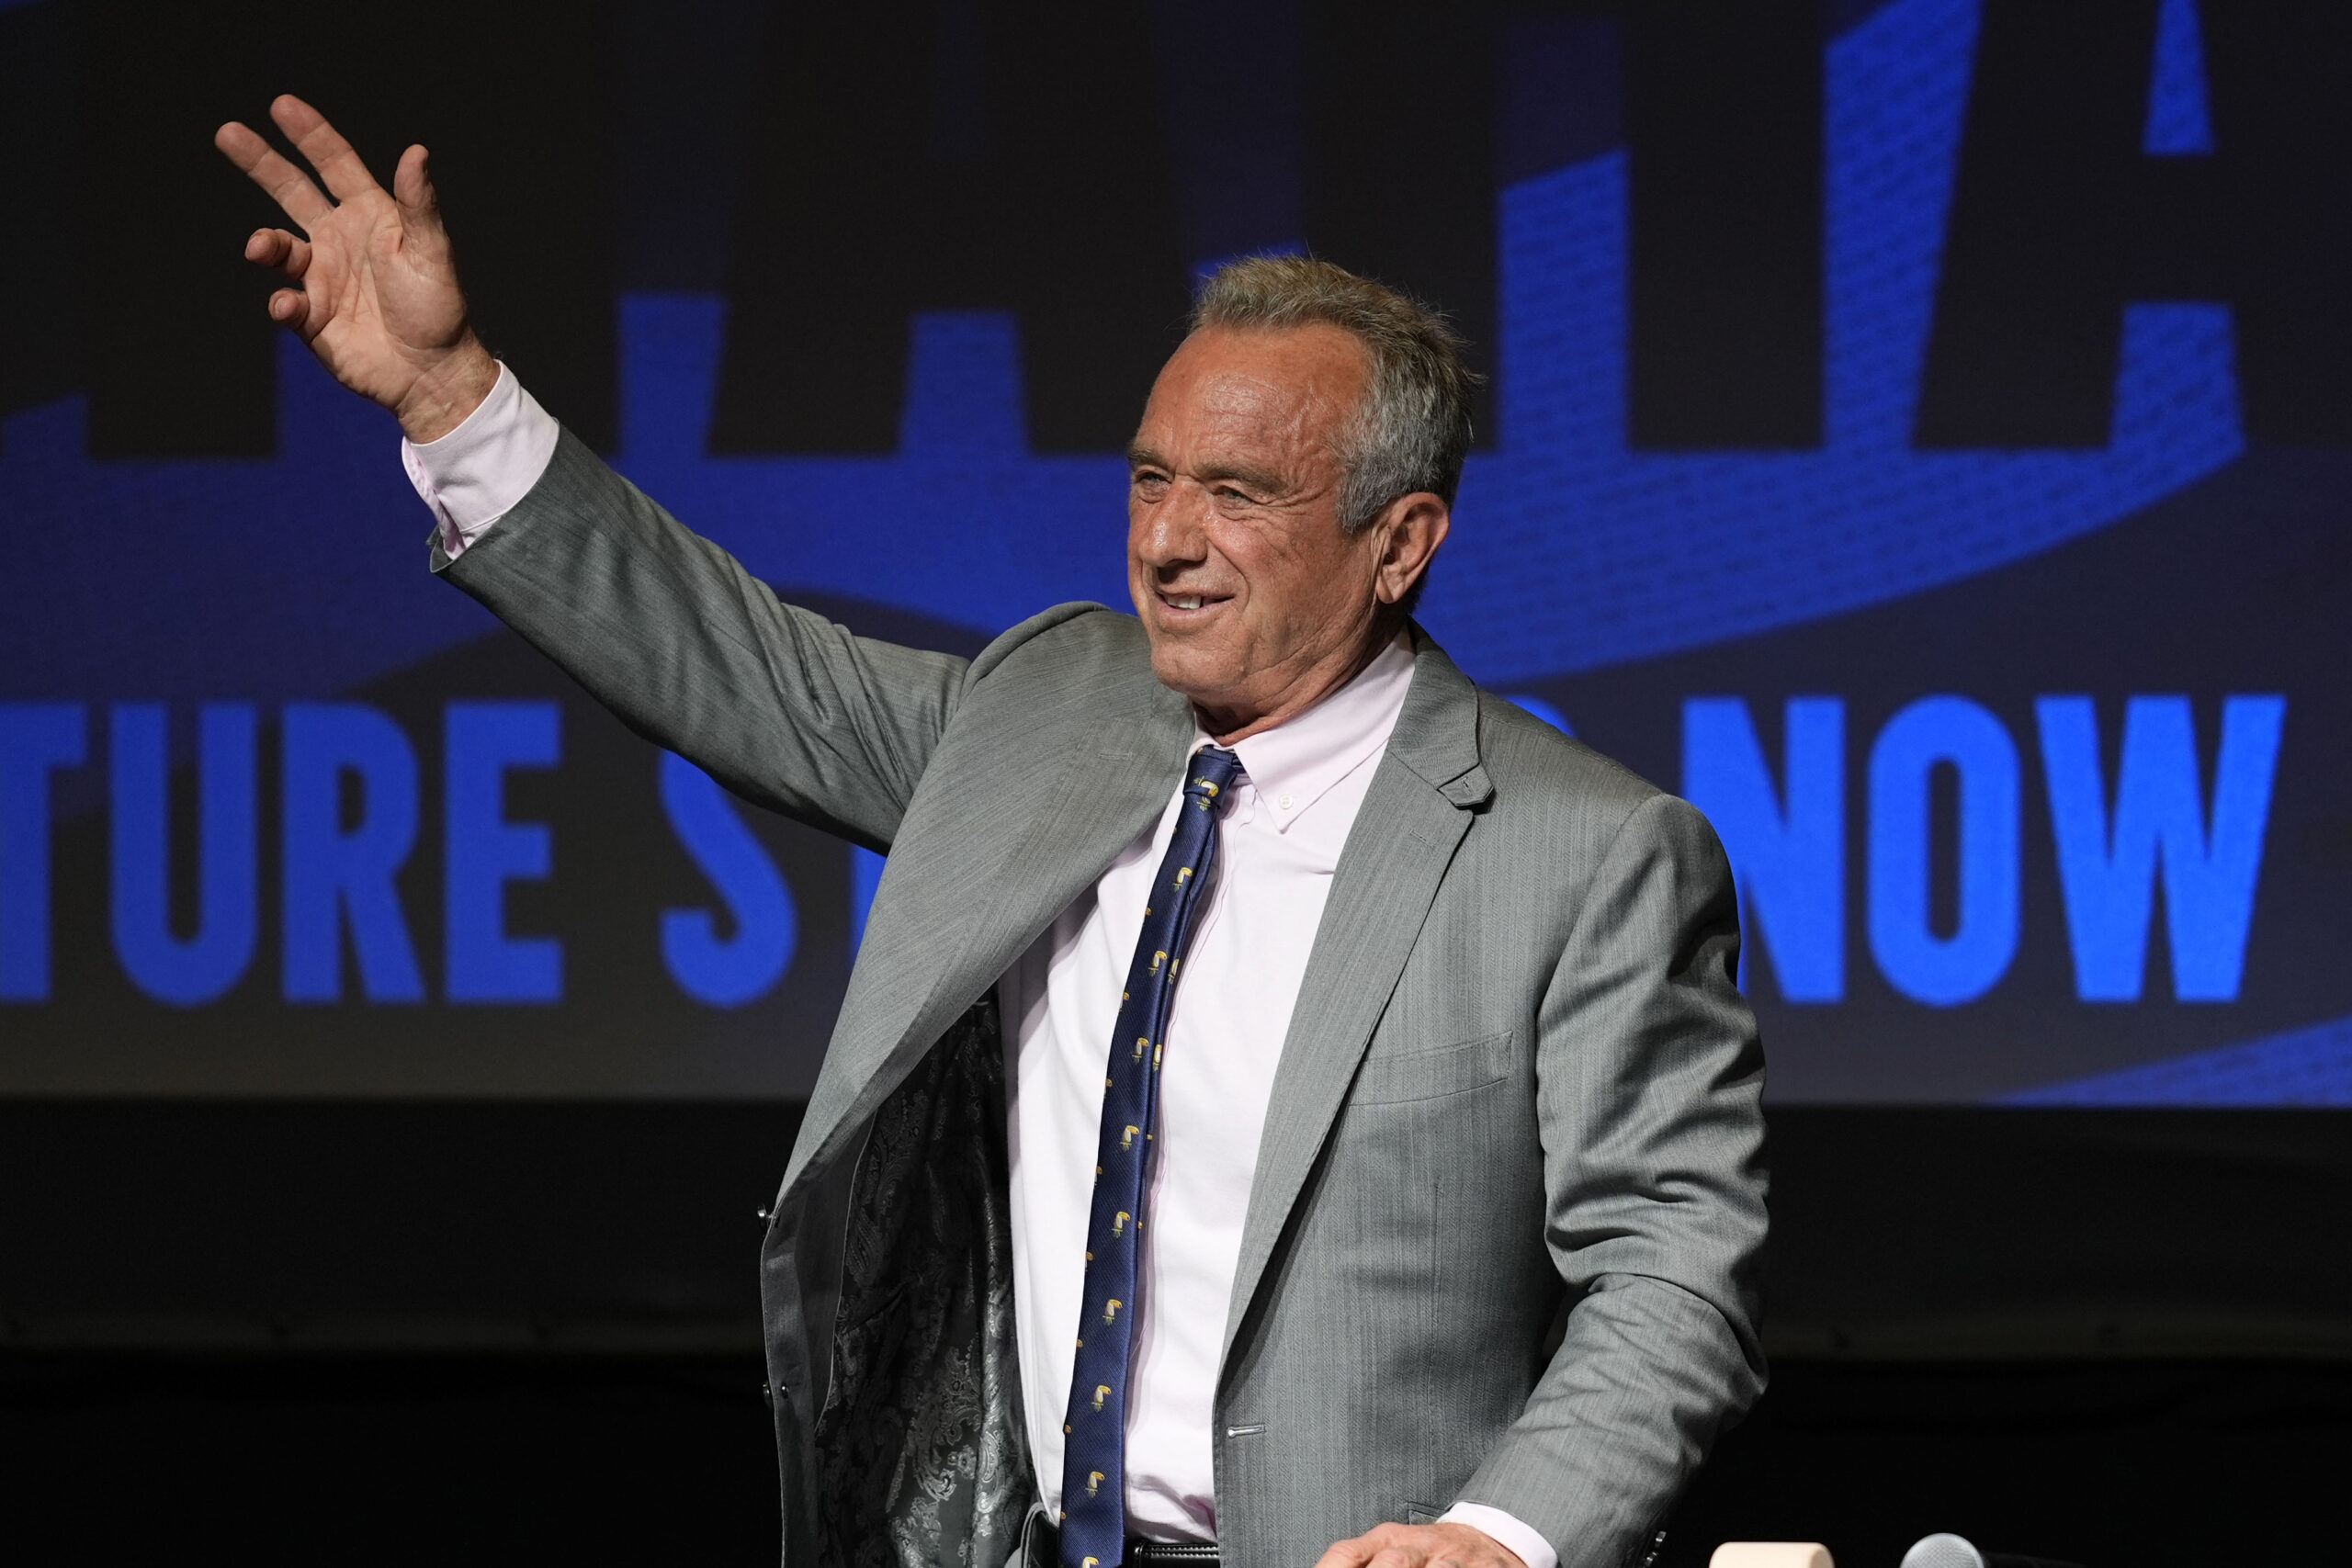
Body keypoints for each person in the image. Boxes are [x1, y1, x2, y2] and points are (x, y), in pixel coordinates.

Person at [216, 95, 1767, 1568]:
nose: (1169, 541)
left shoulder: (1585, 856)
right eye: (1154, 479)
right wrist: (448, 394)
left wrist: (1498, 1536)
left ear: (1400, 543)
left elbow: (1674, 1270)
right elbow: (737, 664)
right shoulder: (1047, 713)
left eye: (1238, 494)